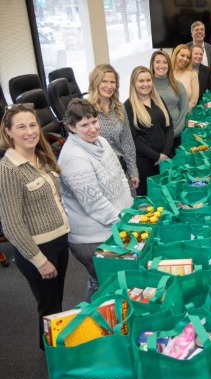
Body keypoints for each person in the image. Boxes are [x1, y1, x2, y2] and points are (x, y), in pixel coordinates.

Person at [0, 103, 70, 349]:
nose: (30, 131)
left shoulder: (41, 154)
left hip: (59, 241)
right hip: (38, 249)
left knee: (55, 303)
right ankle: (52, 356)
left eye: (33, 125)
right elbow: (11, 224)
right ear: (8, 131)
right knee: (49, 308)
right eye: (21, 127)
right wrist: (39, 260)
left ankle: (53, 347)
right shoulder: (8, 169)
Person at [58, 99, 133, 302]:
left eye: (94, 121)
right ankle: (93, 326)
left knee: (117, 280)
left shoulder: (102, 142)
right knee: (102, 283)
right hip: (92, 237)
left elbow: (120, 177)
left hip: (115, 224)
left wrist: (130, 208)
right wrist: (123, 222)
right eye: (84, 125)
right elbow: (94, 203)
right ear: (72, 128)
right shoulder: (73, 157)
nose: (92, 129)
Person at [87, 63, 139, 190]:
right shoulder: (86, 109)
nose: (109, 86)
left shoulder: (120, 108)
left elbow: (127, 142)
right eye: (104, 81)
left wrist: (133, 172)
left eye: (112, 82)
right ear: (96, 83)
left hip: (119, 167)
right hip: (98, 172)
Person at [124, 66, 174, 195]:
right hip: (145, 164)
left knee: (169, 197)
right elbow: (133, 139)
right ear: (134, 84)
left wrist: (164, 153)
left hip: (166, 159)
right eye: (141, 81)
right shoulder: (128, 106)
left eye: (148, 80)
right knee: (150, 203)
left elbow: (169, 127)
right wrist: (156, 156)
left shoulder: (158, 100)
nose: (146, 84)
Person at [150, 50, 189, 153]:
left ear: (169, 65)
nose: (161, 65)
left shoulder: (178, 85)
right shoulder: (147, 87)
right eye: (158, 62)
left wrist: (173, 133)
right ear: (152, 64)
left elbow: (185, 112)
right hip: (156, 141)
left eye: (165, 62)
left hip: (177, 137)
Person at [172, 44, 199, 110]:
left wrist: (182, 113)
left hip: (186, 114)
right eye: (182, 55)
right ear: (175, 55)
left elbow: (193, 101)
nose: (185, 59)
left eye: (188, 57)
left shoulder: (193, 74)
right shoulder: (167, 72)